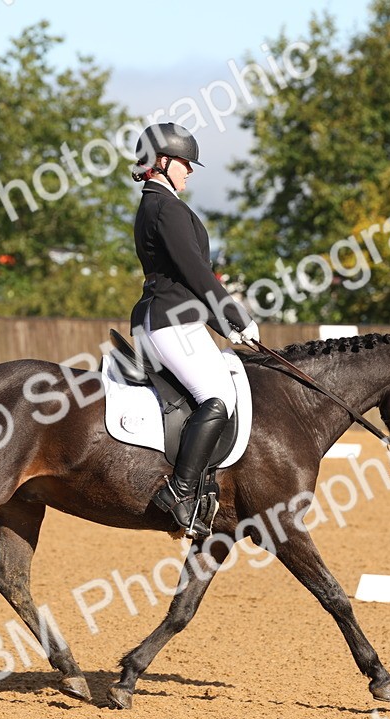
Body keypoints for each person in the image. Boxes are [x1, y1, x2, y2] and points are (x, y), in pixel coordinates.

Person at [128, 122, 260, 539]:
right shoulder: (165, 207)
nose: (190, 171)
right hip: (171, 318)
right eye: (185, 162)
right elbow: (196, 272)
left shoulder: (157, 204)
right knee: (217, 397)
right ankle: (180, 492)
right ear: (162, 162)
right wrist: (233, 319)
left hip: (168, 316)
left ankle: (200, 488)